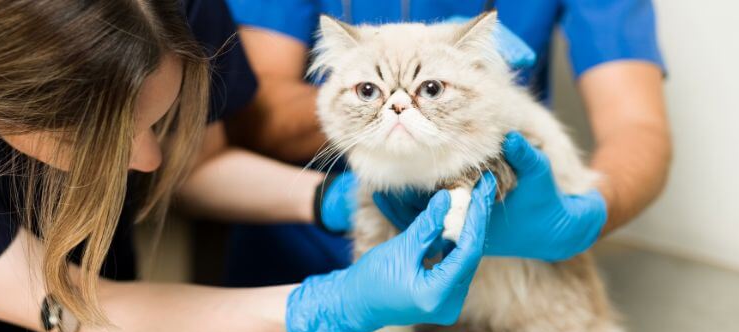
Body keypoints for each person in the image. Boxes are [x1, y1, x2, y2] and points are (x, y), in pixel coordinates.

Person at [0, 0, 495, 332]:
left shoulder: (162, 7)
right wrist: (333, 301)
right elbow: (77, 312)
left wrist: (343, 198)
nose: (151, 165)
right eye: (110, 145)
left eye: (156, 121)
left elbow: (198, 165)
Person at [223, 0, 672, 292]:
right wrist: (382, 119)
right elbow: (251, 109)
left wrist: (586, 215)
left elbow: (637, 125)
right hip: (307, 263)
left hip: (516, 258)